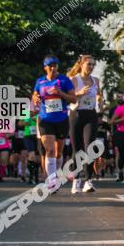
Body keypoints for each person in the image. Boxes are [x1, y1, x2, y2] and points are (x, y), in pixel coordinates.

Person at [32, 55, 77, 192]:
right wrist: (35, 98)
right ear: (45, 67)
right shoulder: (40, 82)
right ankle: (51, 180)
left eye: (55, 65)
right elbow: (34, 96)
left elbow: (74, 99)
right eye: (50, 66)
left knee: (58, 152)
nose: (53, 68)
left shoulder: (64, 80)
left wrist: (60, 93)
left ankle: (56, 174)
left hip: (61, 119)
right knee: (49, 150)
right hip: (45, 120)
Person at [67, 54, 101, 194]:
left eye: (93, 64)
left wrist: (100, 103)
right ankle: (76, 180)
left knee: (89, 148)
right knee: (77, 149)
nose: (91, 67)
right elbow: (69, 97)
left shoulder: (96, 80)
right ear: (81, 65)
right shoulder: (73, 79)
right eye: (89, 64)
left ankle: (88, 180)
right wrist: (79, 93)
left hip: (90, 114)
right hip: (76, 114)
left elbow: (99, 95)